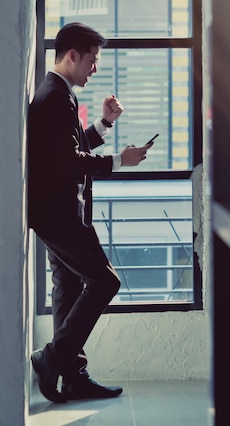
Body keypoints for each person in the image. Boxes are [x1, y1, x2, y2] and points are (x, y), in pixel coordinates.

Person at [28, 22, 154, 403]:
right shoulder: (55, 97)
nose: (94, 69)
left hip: (56, 214)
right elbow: (69, 161)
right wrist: (121, 160)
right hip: (61, 215)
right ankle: (51, 359)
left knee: (67, 289)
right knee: (105, 282)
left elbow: (67, 146)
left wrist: (105, 123)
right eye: (92, 61)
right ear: (72, 56)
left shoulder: (57, 94)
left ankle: (73, 376)